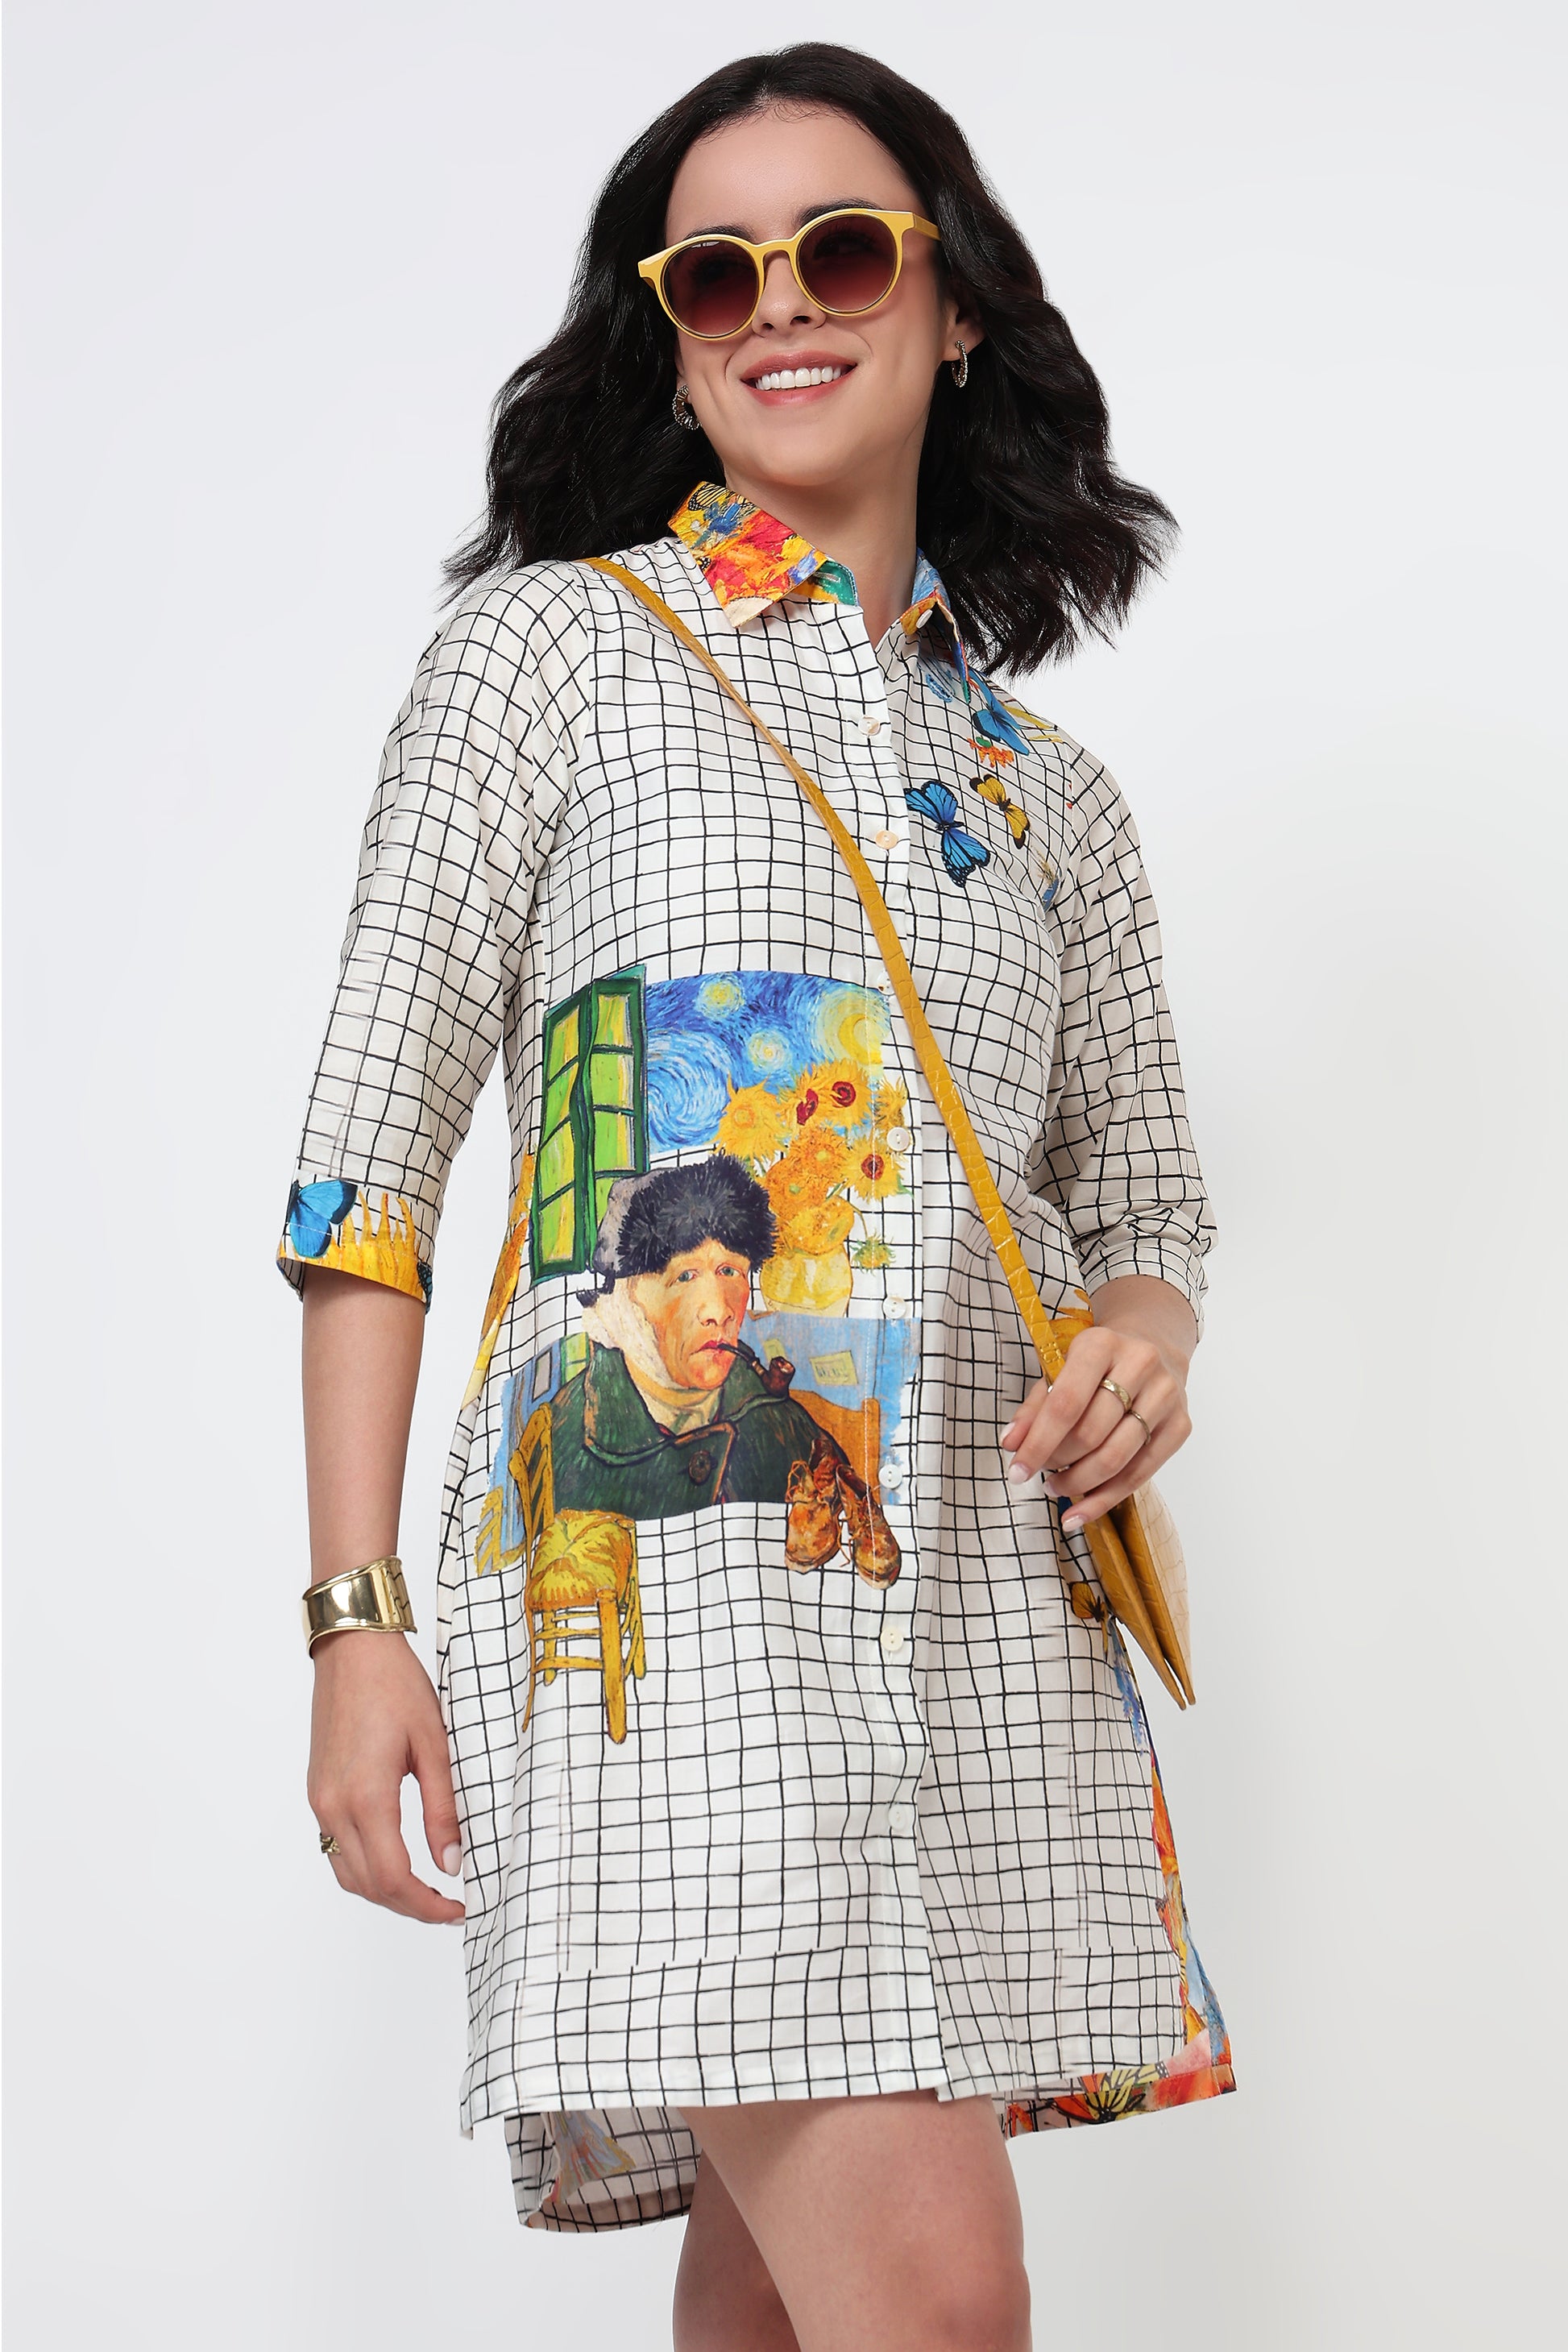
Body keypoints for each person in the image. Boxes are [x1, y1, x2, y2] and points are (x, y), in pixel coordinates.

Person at [284, 42, 1233, 2352]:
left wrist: (1143, 1346)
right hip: (673, 1610)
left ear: (954, 302)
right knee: (936, 2303)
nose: (779, 302)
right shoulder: (552, 654)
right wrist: (352, 1616)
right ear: (671, 335)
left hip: (971, 1608)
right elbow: (367, 1158)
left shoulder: (1051, 799)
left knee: (788, 2315)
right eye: (715, 272)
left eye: (840, 249)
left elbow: (1150, 1205)